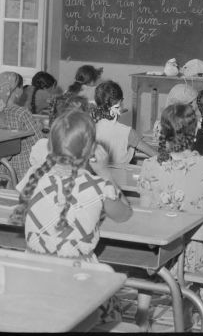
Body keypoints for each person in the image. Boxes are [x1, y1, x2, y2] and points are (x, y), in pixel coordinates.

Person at [10, 109, 132, 323]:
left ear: (50, 146)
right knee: (113, 309)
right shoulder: (98, 187)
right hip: (79, 281)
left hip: (32, 279)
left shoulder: (32, 178)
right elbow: (124, 214)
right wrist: (105, 173)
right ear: (92, 150)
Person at [137, 104, 203, 327]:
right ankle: (186, 317)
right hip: (190, 253)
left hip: (155, 250)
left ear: (162, 131)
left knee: (143, 261)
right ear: (196, 131)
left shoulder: (149, 165)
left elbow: (145, 207)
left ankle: (141, 316)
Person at [0, 71, 44, 180]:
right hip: (25, 169)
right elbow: (39, 142)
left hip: (5, 168)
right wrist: (39, 128)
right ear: (18, 91)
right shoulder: (21, 113)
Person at [90, 80, 156, 165]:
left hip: (97, 175)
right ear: (120, 102)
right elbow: (155, 155)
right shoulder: (128, 132)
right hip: (121, 176)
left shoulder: (89, 128)